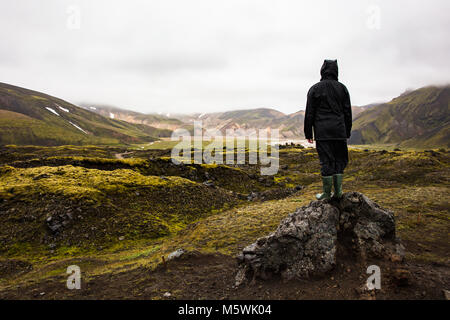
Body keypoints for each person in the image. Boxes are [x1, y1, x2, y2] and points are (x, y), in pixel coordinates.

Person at [304, 59, 352, 200]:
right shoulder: (342, 88)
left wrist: (308, 133)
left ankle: (326, 193)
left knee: (326, 161)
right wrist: (347, 131)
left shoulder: (314, 89)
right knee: (340, 160)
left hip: (322, 132)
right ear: (336, 71)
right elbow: (347, 112)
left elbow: (310, 113)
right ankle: (338, 192)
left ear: (322, 70)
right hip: (339, 131)